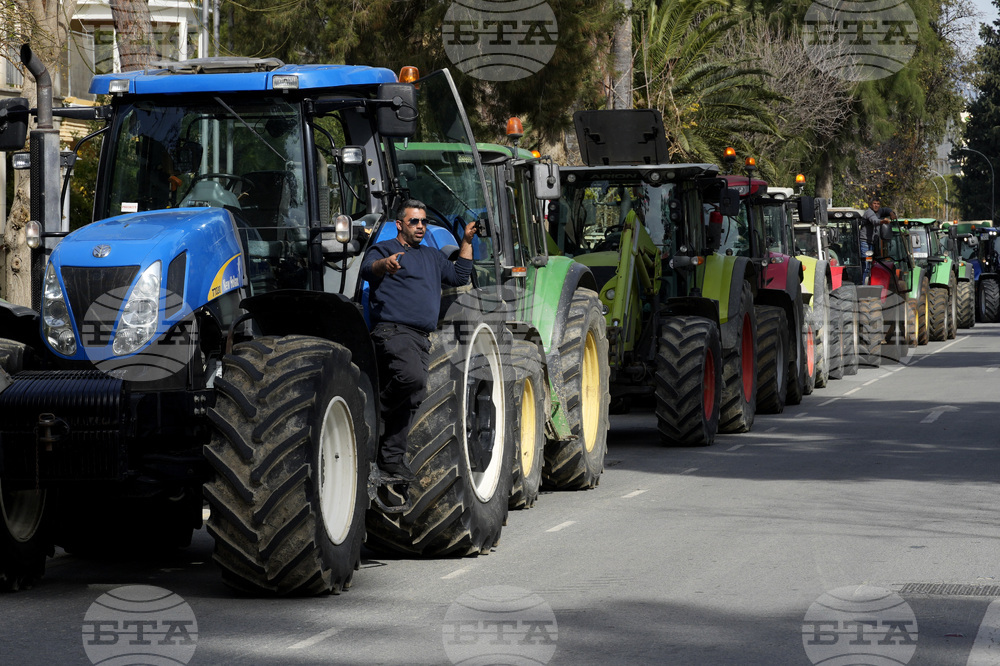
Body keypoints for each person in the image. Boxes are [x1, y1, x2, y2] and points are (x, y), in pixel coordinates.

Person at [361, 199, 477, 483]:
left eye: (424, 221)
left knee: (413, 397)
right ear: (400, 224)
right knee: (411, 379)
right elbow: (368, 269)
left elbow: (460, 275)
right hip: (393, 331)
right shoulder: (385, 249)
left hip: (420, 337)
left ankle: (391, 459)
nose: (421, 226)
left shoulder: (432, 256)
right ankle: (370, 417)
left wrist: (466, 241)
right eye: (414, 221)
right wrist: (383, 265)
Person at [860, 197, 896, 282]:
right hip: (865, 242)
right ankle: (861, 285)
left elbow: (886, 209)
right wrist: (883, 221)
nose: (876, 205)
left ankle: (868, 283)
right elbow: (875, 221)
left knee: (872, 265)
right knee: (865, 266)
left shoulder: (879, 211)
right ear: (870, 205)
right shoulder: (869, 212)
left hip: (872, 242)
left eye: (878, 204)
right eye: (874, 203)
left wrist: (891, 213)